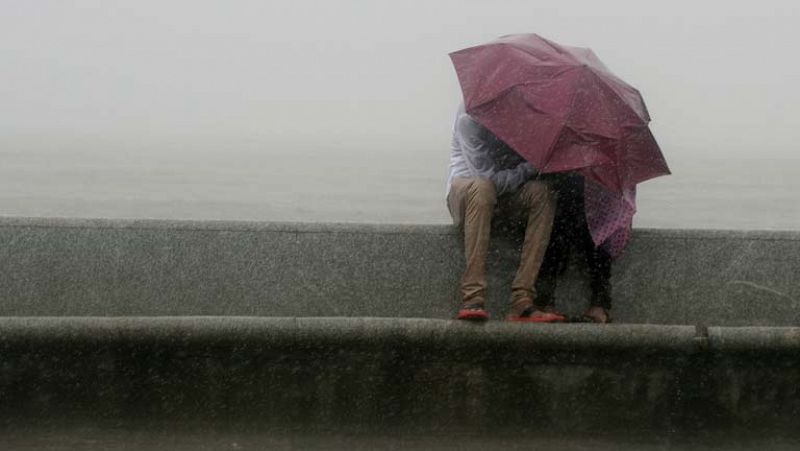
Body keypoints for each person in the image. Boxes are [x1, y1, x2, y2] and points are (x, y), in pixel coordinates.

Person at [447, 103, 564, 322]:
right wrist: (531, 166)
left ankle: (523, 299)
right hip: (466, 191)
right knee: (483, 189)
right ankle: (473, 296)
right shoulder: (469, 117)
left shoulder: (525, 116)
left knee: (542, 193)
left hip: (504, 195)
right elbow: (488, 180)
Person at [534, 174, 613, 323]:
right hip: (560, 199)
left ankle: (546, 299)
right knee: (569, 203)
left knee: (594, 217)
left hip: (593, 201)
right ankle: (600, 302)